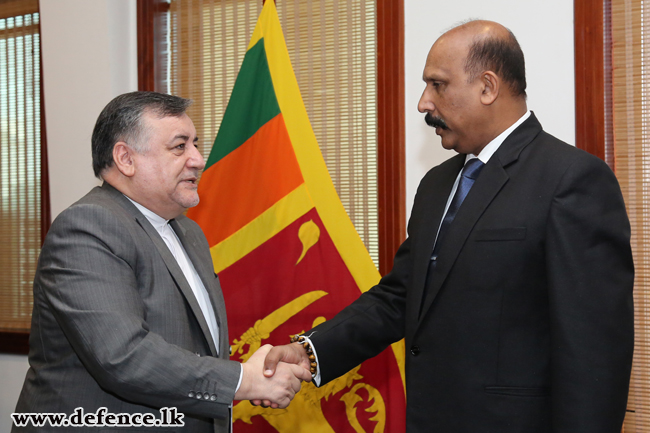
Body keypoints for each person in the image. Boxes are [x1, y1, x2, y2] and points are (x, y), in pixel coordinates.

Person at [262, 20, 634, 432]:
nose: (423, 103)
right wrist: (312, 352)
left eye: (437, 84)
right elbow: (400, 297)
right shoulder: (437, 184)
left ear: (487, 87)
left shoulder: (571, 179)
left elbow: (595, 352)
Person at [13, 92, 311, 432]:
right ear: (125, 158)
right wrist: (244, 380)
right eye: (180, 146)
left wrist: (253, 377)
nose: (198, 159)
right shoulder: (88, 225)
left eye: (196, 144)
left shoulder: (190, 232)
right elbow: (123, 357)